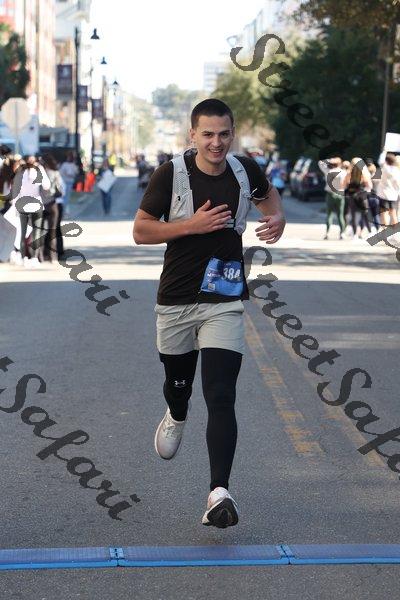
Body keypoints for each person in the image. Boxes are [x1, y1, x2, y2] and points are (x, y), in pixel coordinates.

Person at [133, 98, 286, 528]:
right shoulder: (171, 174)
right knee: (178, 384)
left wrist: (278, 219)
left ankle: (219, 492)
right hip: (177, 300)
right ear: (193, 135)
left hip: (224, 298)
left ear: (232, 134)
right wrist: (190, 225)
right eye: (207, 134)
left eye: (223, 134)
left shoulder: (245, 170)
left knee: (221, 395)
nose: (216, 143)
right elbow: (141, 231)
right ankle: (176, 413)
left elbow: (269, 200)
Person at [12, 155, 51, 267]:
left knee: (23, 232)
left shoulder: (21, 171)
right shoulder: (38, 170)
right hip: (36, 204)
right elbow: (47, 185)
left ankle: (24, 257)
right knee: (36, 231)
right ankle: (34, 257)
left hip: (23, 205)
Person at [40, 153, 65, 262]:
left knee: (40, 231)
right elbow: (62, 189)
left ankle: (41, 255)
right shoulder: (55, 173)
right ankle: (53, 255)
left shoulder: (39, 174)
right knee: (54, 231)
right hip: (54, 204)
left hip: (41, 204)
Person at [318, 157, 346, 239]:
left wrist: (329, 160)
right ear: (339, 164)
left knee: (329, 214)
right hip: (340, 194)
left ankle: (327, 233)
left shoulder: (328, 171)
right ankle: (342, 233)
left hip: (330, 194)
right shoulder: (343, 172)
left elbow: (320, 163)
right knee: (340, 215)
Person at [344, 157, 372, 239]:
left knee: (354, 215)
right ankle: (369, 231)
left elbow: (344, 184)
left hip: (352, 195)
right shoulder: (364, 173)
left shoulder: (349, 173)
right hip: (362, 195)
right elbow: (369, 185)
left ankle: (355, 233)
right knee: (365, 214)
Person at [377, 152, 400, 227]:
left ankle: (385, 230)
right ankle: (395, 230)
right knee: (393, 213)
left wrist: (384, 152)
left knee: (384, 213)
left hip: (383, 194)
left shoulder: (385, 169)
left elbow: (380, 161)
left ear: (386, 161)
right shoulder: (397, 171)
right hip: (393, 195)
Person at [59, 152, 78, 217]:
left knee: (66, 197)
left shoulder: (71, 165)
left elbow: (75, 172)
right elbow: (61, 172)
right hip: (65, 182)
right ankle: (64, 211)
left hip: (68, 182)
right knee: (65, 197)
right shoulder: (67, 164)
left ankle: (65, 211)